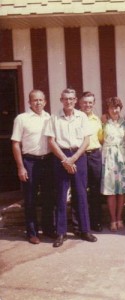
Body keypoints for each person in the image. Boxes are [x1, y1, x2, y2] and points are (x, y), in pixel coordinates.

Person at [45, 88, 97, 247]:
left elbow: (87, 140)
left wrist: (73, 158)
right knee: (61, 195)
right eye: (65, 99)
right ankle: (61, 233)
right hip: (61, 157)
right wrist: (65, 160)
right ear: (61, 100)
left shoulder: (82, 117)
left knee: (81, 194)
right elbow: (51, 141)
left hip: (78, 156)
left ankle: (85, 230)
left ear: (75, 101)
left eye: (72, 99)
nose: (69, 101)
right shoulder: (54, 118)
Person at [11, 89, 55, 244]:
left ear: (45, 101)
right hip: (30, 161)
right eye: (34, 100)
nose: (38, 103)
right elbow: (16, 144)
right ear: (29, 102)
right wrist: (20, 167)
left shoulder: (49, 117)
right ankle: (32, 232)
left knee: (49, 197)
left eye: (40, 100)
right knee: (30, 198)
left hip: (47, 161)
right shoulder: (21, 119)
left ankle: (49, 229)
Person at [101, 97, 125, 231]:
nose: (115, 110)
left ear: (120, 108)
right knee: (111, 191)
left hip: (122, 157)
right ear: (108, 109)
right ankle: (112, 220)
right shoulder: (103, 122)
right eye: (112, 107)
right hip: (109, 158)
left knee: (121, 191)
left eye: (117, 107)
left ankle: (119, 218)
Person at [75, 91, 103, 232]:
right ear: (80, 103)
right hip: (80, 156)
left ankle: (95, 221)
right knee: (79, 189)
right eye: (85, 102)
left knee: (95, 189)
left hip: (95, 155)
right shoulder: (75, 118)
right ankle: (78, 224)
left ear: (94, 103)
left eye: (90, 102)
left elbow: (101, 138)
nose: (87, 105)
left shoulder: (97, 119)